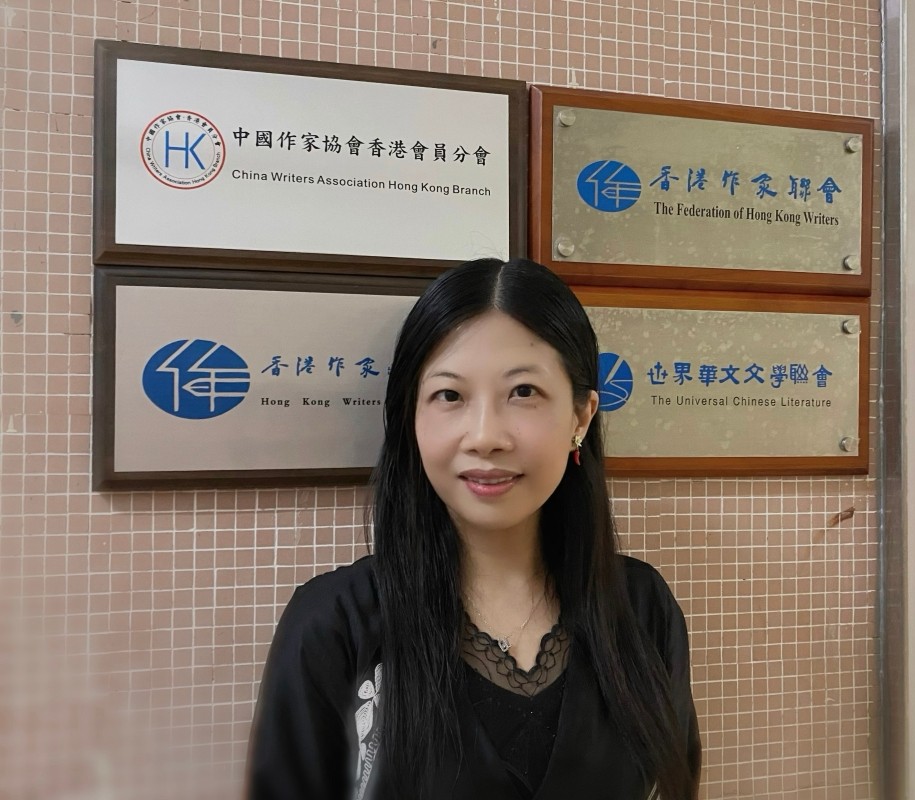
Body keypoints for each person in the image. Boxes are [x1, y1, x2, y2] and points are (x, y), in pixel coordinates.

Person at [246, 258, 701, 800]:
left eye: (523, 391)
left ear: (581, 417)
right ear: (411, 417)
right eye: (450, 396)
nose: (485, 436)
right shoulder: (334, 625)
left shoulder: (642, 608)